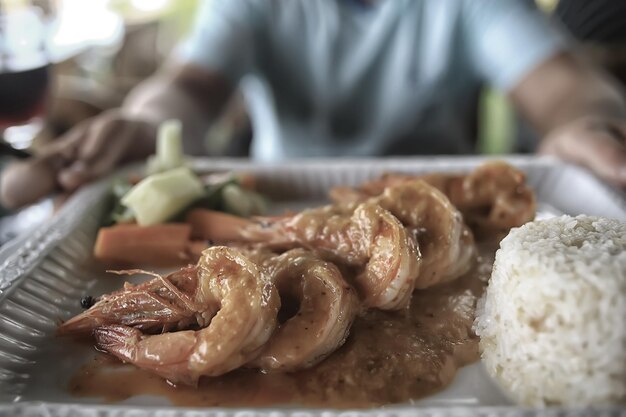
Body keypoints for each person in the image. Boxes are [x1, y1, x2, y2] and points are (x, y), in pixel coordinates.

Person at [2, 0, 626, 209]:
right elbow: (189, 87)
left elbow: (565, 85)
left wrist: (585, 123)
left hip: (446, 205)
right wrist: (145, 123)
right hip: (279, 204)